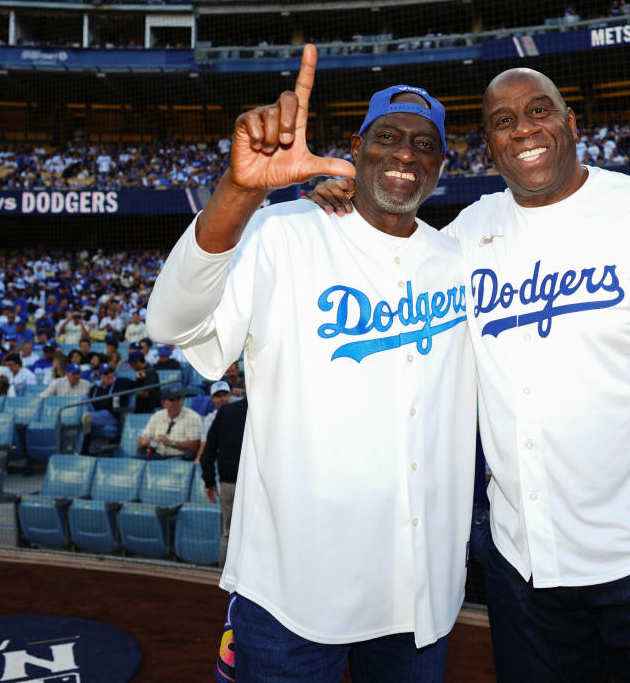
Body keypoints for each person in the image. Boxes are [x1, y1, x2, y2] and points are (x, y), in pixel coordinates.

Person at [311, 64, 630, 681]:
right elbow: (390, 250)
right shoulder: (465, 236)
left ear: (570, 122)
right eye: (502, 121)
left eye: (538, 110)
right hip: (524, 574)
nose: (523, 128)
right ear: (489, 147)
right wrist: (345, 202)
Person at [147, 48, 476, 680]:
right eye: (387, 137)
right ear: (356, 145)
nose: (405, 154)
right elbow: (172, 324)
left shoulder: (459, 259)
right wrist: (239, 191)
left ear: (441, 163)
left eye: (424, 144)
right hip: (292, 591)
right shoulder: (284, 233)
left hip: (419, 590)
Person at [199, 396, 248, 566]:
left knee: (229, 534)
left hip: (230, 482)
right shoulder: (271, 411)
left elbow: (208, 452)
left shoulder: (226, 411)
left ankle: (224, 580)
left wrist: (209, 481)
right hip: (258, 484)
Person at [136, 385, 203, 459]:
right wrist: (144, 441)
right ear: (163, 404)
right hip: (158, 456)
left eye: (179, 399)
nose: (176, 403)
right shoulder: (156, 416)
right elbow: (140, 442)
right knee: (134, 460)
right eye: (172, 400)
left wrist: (171, 443)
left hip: (180, 457)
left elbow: (195, 445)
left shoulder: (192, 417)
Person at [80, 363, 134, 446]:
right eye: (106, 373)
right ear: (101, 376)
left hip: (111, 416)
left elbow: (137, 385)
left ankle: (86, 420)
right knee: (83, 398)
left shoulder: (121, 382)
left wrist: (140, 377)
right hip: (95, 413)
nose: (109, 375)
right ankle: (85, 419)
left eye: (111, 372)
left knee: (103, 412)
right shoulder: (94, 388)